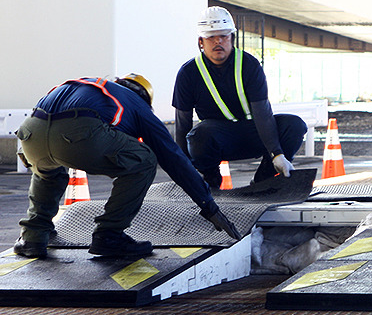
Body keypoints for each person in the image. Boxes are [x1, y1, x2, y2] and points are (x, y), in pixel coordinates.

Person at [13, 74, 241, 259]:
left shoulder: (88, 84)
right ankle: (109, 234)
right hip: (79, 135)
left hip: (31, 134)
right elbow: (172, 157)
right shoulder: (137, 105)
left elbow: (50, 124)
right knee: (145, 160)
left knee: (48, 171)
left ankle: (33, 235)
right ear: (145, 98)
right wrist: (207, 205)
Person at [173, 6, 307, 190]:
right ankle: (210, 182)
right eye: (211, 37)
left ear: (232, 38)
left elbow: (263, 113)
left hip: (254, 132)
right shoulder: (188, 73)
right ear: (201, 42)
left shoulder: (249, 65)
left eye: (223, 36)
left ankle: (264, 181)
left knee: (294, 125)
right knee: (198, 136)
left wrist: (277, 154)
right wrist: (183, 166)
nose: (218, 41)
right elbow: (182, 123)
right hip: (218, 138)